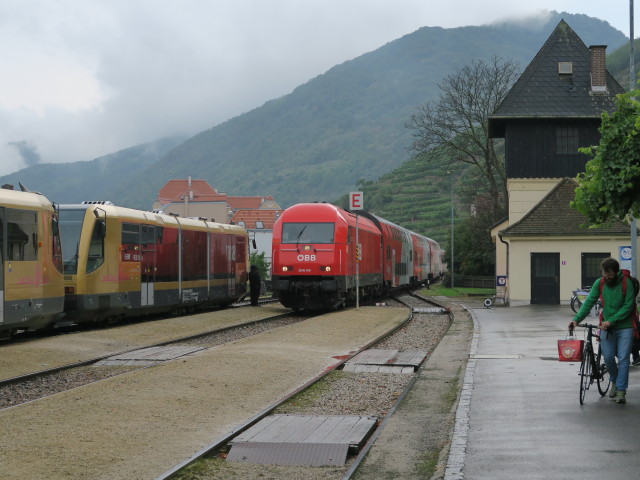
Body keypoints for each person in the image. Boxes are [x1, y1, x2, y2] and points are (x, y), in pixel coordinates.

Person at [569, 257, 636, 404]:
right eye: (604, 274)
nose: (606, 277)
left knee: (624, 359)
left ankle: (621, 390)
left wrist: (611, 320)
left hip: (625, 326)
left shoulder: (627, 283)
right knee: (608, 357)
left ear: (616, 272)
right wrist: (576, 319)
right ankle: (614, 380)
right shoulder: (600, 283)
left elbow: (629, 306)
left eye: (609, 275)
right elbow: (589, 302)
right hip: (605, 327)